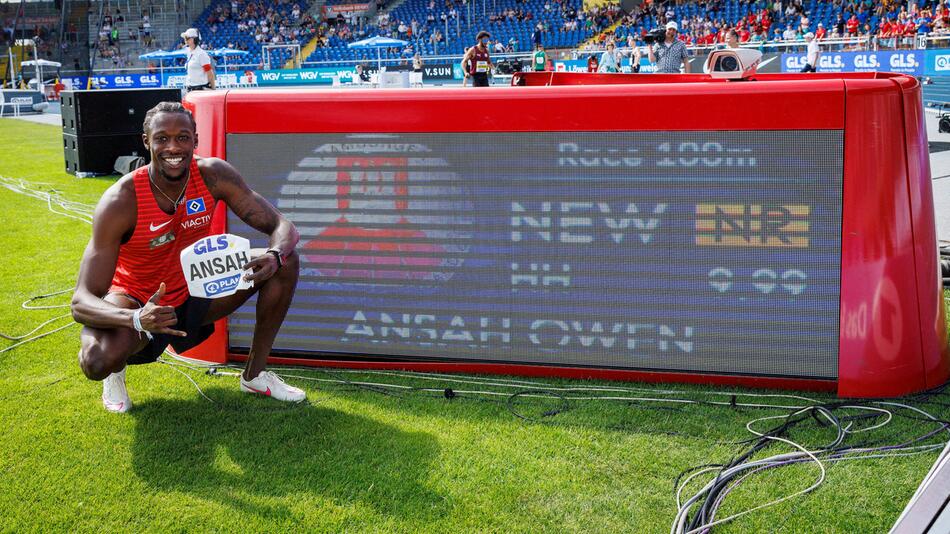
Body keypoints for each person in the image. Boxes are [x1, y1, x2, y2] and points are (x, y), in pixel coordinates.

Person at [71, 102, 304, 412]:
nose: (173, 147)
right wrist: (137, 318)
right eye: (162, 138)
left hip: (197, 289)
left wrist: (274, 255)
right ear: (146, 141)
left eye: (182, 137)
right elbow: (81, 301)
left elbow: (281, 225)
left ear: (195, 139)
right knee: (96, 360)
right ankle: (116, 372)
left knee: (286, 261)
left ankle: (255, 375)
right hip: (139, 299)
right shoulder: (121, 200)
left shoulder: (213, 175)